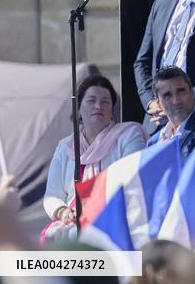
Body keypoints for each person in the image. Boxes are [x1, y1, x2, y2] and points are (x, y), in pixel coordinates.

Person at [43, 75, 146, 239]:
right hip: (71, 222)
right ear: (78, 108)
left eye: (105, 101)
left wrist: (91, 209)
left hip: (114, 217)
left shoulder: (129, 135)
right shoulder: (65, 145)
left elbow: (132, 182)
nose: (98, 106)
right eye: (91, 100)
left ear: (112, 109)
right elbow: (52, 195)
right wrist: (63, 212)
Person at [146, 66, 195, 158]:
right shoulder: (153, 142)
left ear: (192, 92)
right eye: (167, 95)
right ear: (158, 103)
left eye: (181, 91)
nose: (176, 101)